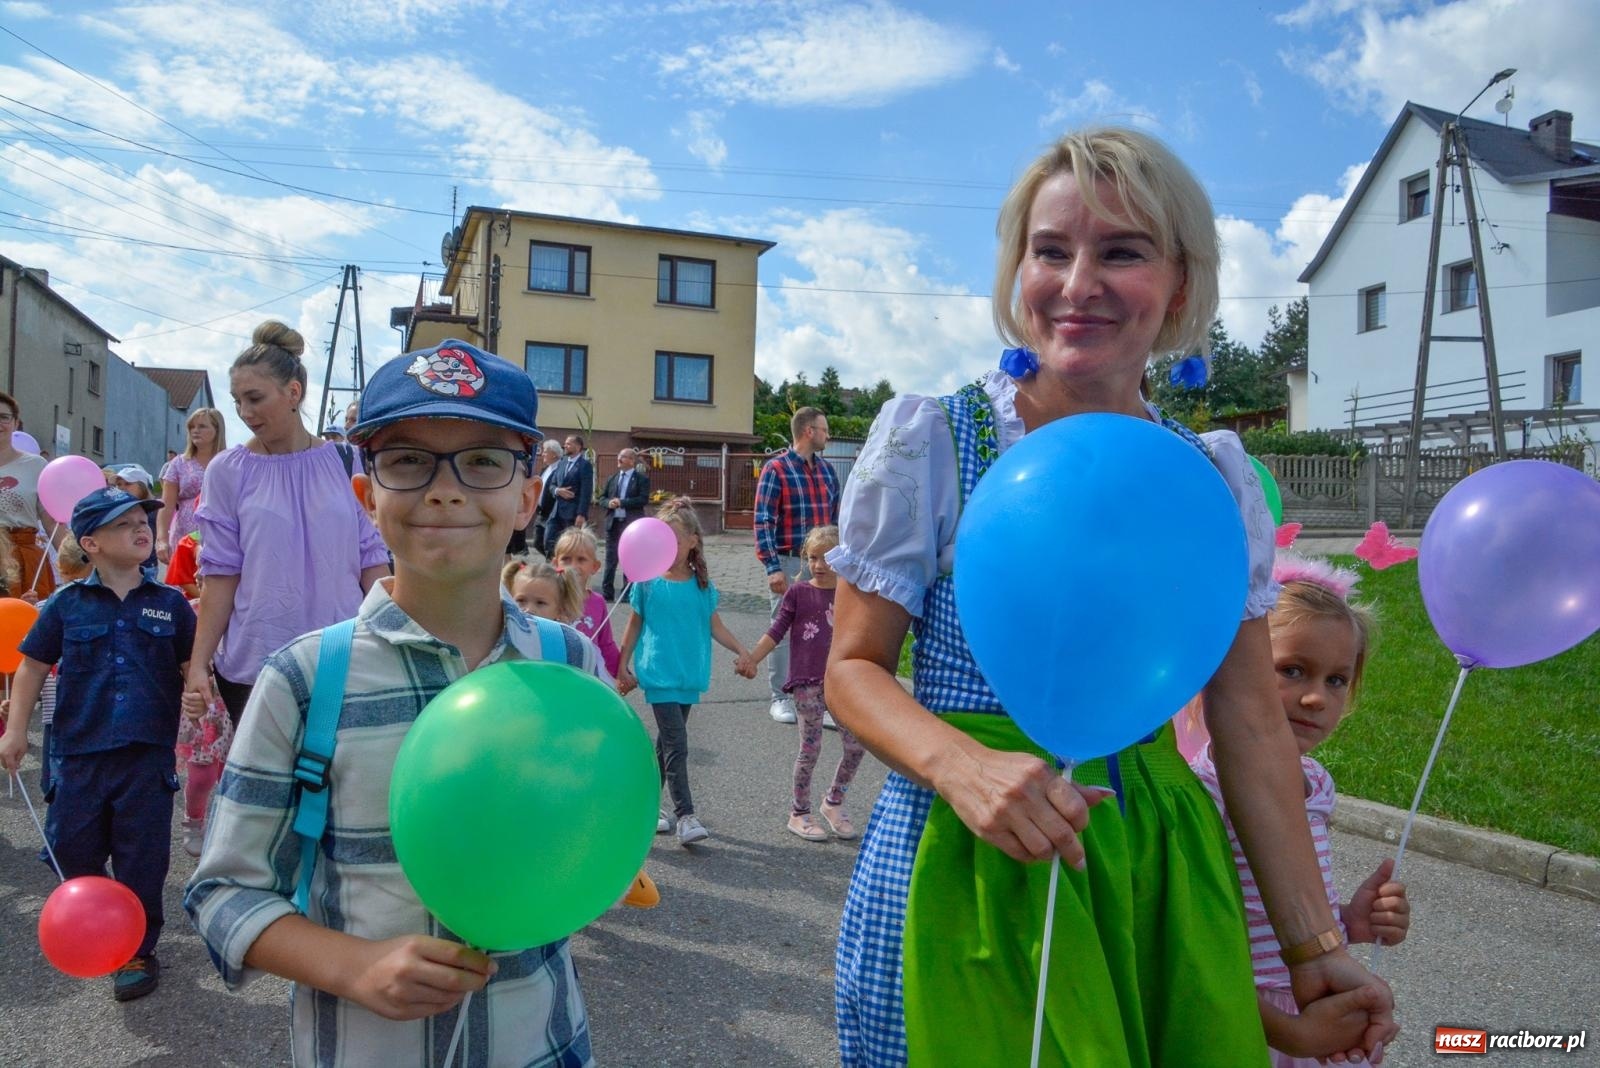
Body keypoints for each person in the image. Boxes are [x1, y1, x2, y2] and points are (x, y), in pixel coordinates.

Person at [825, 127, 1396, 1066]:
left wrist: (1315, 948)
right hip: (963, 856)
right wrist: (964, 767)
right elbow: (852, 668)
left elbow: (1250, 721)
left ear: (1180, 283)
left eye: (1121, 252)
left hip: (1154, 866)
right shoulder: (936, 439)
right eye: (1050, 251)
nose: (1077, 283)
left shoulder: (1213, 477)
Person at [186, 340, 601, 1065]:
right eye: (408, 461)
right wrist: (355, 967)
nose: (445, 490)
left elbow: (588, 828)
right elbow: (224, 891)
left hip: (541, 1045)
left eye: (483, 461)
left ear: (527, 497)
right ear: (366, 496)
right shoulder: (305, 679)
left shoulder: (570, 665)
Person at [1190, 556, 1409, 1067]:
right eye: (1292, 671)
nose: (1316, 698)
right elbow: (1193, 937)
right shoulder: (1207, 791)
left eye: (1337, 680)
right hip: (1246, 1011)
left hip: (1316, 1000)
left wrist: (1349, 922)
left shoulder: (1317, 783)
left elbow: (1292, 904)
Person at [0, 487, 195, 1001]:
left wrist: (200, 690)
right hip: (78, 753)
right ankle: (97, 920)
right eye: (123, 524)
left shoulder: (170, 604)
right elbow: (31, 667)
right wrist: (15, 731)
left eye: (143, 521)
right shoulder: (66, 604)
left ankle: (136, 948)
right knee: (69, 847)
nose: (141, 529)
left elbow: (191, 664)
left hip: (146, 755)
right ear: (91, 543)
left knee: (142, 856)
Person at [185, 321, 389, 729]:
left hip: (343, 656)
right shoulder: (228, 470)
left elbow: (372, 561)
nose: (244, 413)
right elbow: (220, 575)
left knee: (340, 768)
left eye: (255, 398)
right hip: (256, 662)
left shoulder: (347, 461)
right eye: (238, 401)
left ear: (293, 392)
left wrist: (394, 633)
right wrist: (198, 663)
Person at [617, 497, 750, 847]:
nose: (669, 548)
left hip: (688, 675)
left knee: (665, 749)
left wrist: (742, 650)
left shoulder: (702, 586)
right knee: (677, 744)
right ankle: (685, 815)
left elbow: (715, 626)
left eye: (675, 541)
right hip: (658, 674)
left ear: (693, 541)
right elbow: (634, 625)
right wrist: (621, 664)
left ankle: (643, 806)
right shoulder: (648, 583)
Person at [738, 524, 866, 842]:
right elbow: (776, 630)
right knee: (810, 749)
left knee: (855, 747)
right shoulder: (798, 593)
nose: (819, 565)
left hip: (841, 683)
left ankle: (833, 802)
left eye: (827, 558)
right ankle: (799, 812)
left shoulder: (850, 594)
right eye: (812, 557)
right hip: (807, 682)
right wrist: (752, 658)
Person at [754, 406, 839, 724]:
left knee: (826, 629)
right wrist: (772, 567)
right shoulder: (776, 469)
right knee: (785, 628)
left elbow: (835, 519)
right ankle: (780, 697)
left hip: (825, 563)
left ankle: (823, 699)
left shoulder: (828, 471)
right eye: (824, 429)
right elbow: (763, 520)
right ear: (808, 431)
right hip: (790, 561)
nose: (828, 435)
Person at [0, 391, 59, 599]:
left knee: (24, 616)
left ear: (16, 423)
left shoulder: (35, 465)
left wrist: (77, 564)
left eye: (4, 417)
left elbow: (52, 522)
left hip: (23, 561)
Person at [157, 408, 225, 566]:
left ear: (217, 429)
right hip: (184, 535)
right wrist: (161, 539)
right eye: (192, 427)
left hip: (219, 536)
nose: (195, 431)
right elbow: (166, 505)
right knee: (184, 579)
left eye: (202, 426)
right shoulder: (179, 463)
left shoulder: (228, 462)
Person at [552, 526, 622, 678]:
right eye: (566, 559)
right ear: (556, 563)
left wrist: (620, 671)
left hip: (588, 678)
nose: (573, 566)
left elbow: (605, 644)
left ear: (594, 567)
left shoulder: (598, 602)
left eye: (581, 559)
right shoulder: (549, 598)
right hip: (555, 675)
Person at [600, 447, 650, 601]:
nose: (619, 459)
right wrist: (609, 503)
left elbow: (643, 499)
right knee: (610, 559)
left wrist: (623, 502)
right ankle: (607, 593)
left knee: (629, 559)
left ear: (631, 461)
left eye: (623, 457)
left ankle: (627, 593)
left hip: (631, 526)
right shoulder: (612, 478)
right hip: (613, 524)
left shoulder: (641, 479)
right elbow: (602, 498)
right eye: (619, 456)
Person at [539, 433, 593, 556]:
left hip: (572, 513)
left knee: (569, 546)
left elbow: (586, 491)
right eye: (565, 444)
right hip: (556, 512)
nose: (565, 446)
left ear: (578, 447)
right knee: (548, 542)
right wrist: (557, 491)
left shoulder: (585, 465)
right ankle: (553, 564)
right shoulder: (562, 463)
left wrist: (581, 514)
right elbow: (552, 485)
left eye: (568, 444)